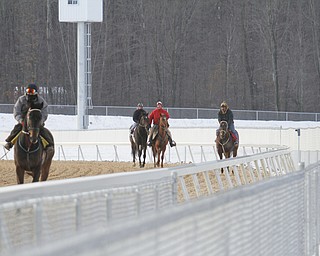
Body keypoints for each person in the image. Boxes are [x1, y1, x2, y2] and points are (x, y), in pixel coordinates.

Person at [4, 83, 54, 150]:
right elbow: (16, 111)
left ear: (35, 92)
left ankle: (49, 145)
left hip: (36, 122)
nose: (30, 93)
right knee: (17, 129)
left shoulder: (41, 101)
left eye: (32, 91)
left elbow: (44, 113)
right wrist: (20, 120)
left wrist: (41, 121)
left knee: (43, 131)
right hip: (24, 121)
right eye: (28, 91)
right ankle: (10, 142)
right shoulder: (21, 100)